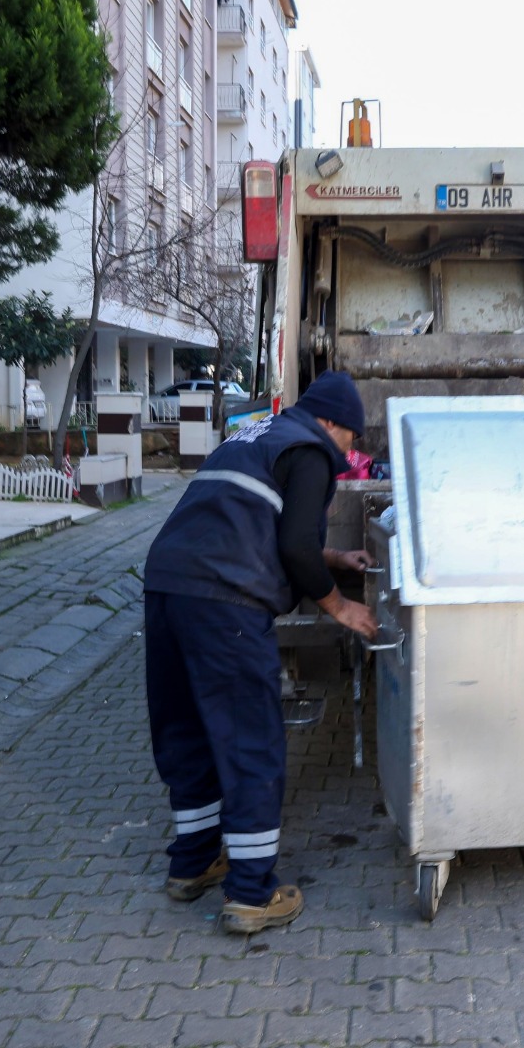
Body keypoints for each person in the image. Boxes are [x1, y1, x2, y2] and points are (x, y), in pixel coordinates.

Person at [143, 370, 379, 934]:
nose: (349, 454)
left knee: (189, 730)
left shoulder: (254, 435)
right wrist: (339, 607)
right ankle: (251, 893)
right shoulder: (312, 449)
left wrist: (333, 559)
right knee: (251, 739)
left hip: (167, 588)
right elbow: (293, 546)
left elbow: (258, 523)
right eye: (351, 439)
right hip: (227, 603)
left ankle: (193, 864)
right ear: (331, 424)